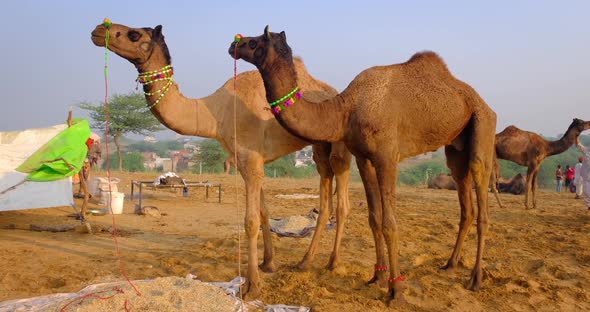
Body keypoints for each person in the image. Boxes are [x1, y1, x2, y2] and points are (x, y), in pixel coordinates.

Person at [575, 138, 590, 211]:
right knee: (586, 191)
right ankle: (589, 205)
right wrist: (576, 138)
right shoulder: (586, 150)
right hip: (586, 175)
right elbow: (579, 145)